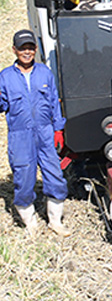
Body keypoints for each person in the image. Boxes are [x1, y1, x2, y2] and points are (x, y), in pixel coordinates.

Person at [0, 30, 70, 236]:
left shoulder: (44, 73)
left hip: (45, 133)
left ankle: (55, 221)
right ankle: (30, 222)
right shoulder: (5, 77)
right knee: (23, 177)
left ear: (35, 49)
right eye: (22, 48)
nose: (27, 52)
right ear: (14, 50)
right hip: (20, 135)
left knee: (55, 175)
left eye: (30, 47)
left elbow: (54, 102)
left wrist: (58, 129)